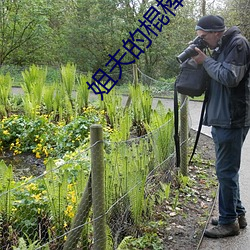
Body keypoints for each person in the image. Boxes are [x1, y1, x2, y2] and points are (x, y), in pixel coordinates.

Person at [192, 15, 250, 238]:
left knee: (225, 171)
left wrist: (205, 61)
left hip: (232, 118)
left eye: (204, 37)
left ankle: (228, 223)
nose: (203, 41)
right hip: (222, 117)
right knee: (227, 171)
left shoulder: (238, 44)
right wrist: (202, 60)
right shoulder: (221, 46)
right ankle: (237, 214)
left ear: (216, 32)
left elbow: (229, 77)